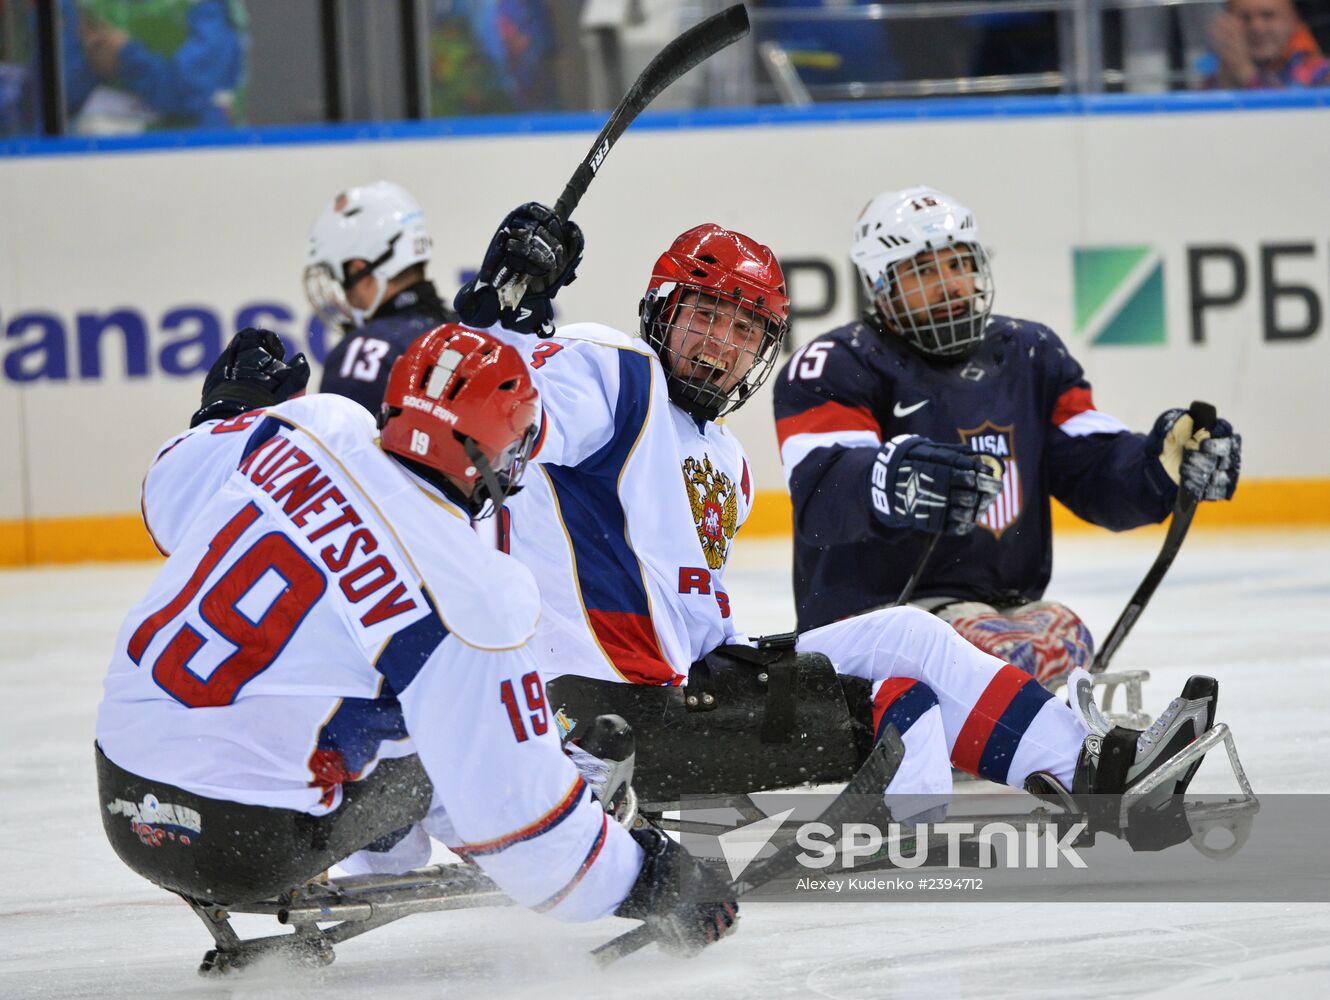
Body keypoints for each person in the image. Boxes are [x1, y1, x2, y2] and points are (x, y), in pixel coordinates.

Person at [446, 202, 1225, 825]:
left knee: (906, 652)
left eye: (746, 329)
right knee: (902, 689)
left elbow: (692, 623)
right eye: (705, 315)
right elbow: (487, 413)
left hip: (684, 695)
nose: (720, 346)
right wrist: (495, 317)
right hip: (588, 713)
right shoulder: (610, 371)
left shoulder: (725, 462)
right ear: (659, 309)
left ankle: (1100, 773)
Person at [95, 325, 737, 956]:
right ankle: (516, 797)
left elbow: (166, 494)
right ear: (499, 452)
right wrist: (654, 879)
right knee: (455, 725)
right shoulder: (475, 591)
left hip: (124, 800)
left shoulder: (311, 425)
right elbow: (531, 841)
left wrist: (226, 413)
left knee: (356, 666)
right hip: (245, 843)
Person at [771, 185, 1242, 686]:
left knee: (1060, 636)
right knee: (999, 650)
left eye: (960, 264)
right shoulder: (834, 364)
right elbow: (824, 494)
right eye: (924, 270)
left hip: (1001, 611)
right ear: (879, 283)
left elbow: (1093, 467)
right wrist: (897, 480)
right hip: (873, 622)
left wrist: (1159, 466)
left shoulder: (1030, 353)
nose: (951, 285)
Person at [304, 181, 461, 413]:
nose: (345, 296)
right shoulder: (468, 332)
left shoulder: (362, 353)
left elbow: (336, 446)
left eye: (342, 280)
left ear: (360, 271)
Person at [47, 0, 249, 134]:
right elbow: (60, 96)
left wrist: (126, 58)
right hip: (95, 159)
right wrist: (95, 55)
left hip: (194, 155)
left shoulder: (207, 7)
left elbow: (193, 93)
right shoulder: (82, 5)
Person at [1203, 0, 1330, 88]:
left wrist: (1246, 73)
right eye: (1245, 17)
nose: (1257, 28)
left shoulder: (1322, 73)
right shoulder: (1213, 72)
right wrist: (1227, 74)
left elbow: (1286, 121)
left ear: (1293, 21)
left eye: (1268, 16)